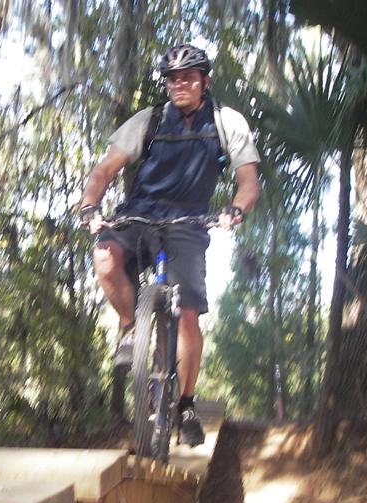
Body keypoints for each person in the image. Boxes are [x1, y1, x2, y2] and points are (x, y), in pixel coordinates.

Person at [78, 43, 260, 446]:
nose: (180, 84)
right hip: (140, 212)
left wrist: (235, 209)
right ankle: (130, 329)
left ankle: (187, 403)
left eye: (188, 77)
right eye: (173, 78)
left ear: (204, 81)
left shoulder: (225, 121)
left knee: (189, 314)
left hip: (189, 220)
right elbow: (105, 169)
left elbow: (248, 180)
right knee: (106, 258)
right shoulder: (151, 119)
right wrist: (90, 206)